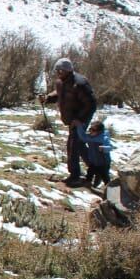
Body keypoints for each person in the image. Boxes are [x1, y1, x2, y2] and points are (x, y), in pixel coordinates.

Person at [42, 57, 97, 187]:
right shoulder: (61, 82)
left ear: (68, 70)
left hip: (80, 119)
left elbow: (91, 104)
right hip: (72, 119)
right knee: (80, 145)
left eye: (60, 70)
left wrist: (79, 120)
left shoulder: (80, 83)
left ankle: (75, 176)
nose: (57, 73)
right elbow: (60, 94)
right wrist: (48, 98)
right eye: (57, 70)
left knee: (73, 145)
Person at [80, 119, 113, 189]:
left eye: (93, 130)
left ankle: (112, 192)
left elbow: (110, 147)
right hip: (93, 161)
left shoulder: (103, 138)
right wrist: (79, 126)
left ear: (99, 131)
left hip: (103, 163)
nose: (90, 131)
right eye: (90, 129)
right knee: (90, 173)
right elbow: (82, 136)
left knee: (105, 177)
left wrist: (103, 148)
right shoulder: (90, 137)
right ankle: (88, 185)